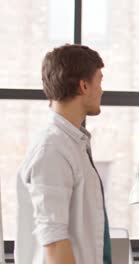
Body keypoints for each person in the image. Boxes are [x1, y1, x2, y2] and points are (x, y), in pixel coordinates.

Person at [15, 44, 111, 264]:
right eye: (100, 80)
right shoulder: (52, 149)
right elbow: (54, 240)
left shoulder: (72, 144)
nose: (102, 90)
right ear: (84, 85)